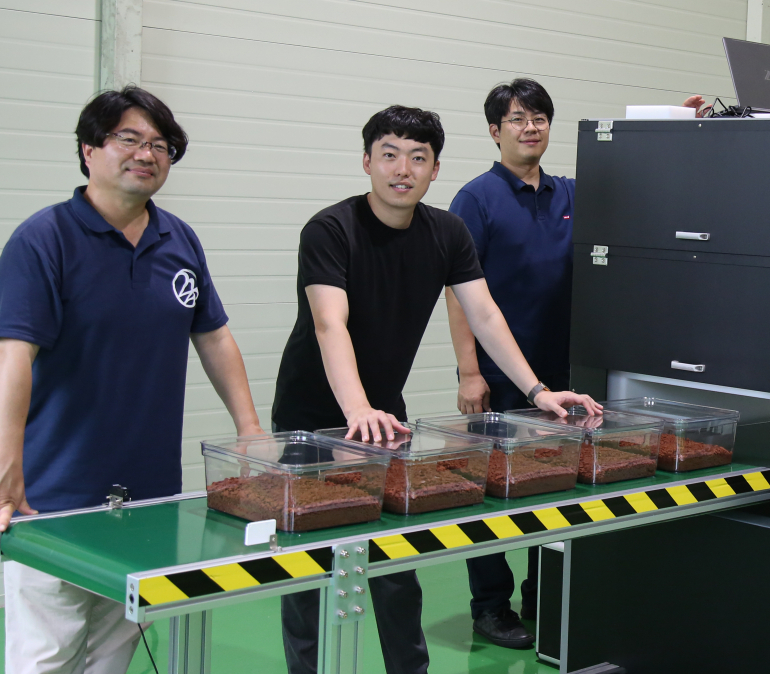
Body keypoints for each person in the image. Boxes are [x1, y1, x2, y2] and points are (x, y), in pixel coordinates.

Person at [271, 105, 599, 674]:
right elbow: (330, 324)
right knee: (308, 569)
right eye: (391, 155)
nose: (404, 169)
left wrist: (537, 390)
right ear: (368, 161)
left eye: (418, 158)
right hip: (312, 417)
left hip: (384, 417)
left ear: (435, 168)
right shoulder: (330, 228)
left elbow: (486, 315)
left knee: (396, 566)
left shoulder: (446, 232)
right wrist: (355, 410)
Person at [0, 86, 265, 674]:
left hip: (147, 499)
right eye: (129, 138)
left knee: (115, 650)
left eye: (160, 145)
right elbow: (13, 358)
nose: (147, 153)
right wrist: (8, 468)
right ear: (89, 149)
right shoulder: (43, 241)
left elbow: (214, 336)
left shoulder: (179, 240)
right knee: (45, 655)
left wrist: (248, 428)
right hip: (54, 497)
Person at [445, 79, 574, 649]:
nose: (531, 127)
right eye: (518, 119)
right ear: (495, 131)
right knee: (492, 493)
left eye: (540, 117)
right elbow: (457, 293)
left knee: (558, 489)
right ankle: (490, 608)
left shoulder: (569, 193)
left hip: (562, 375)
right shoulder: (475, 199)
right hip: (498, 375)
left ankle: (542, 593)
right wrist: (469, 372)